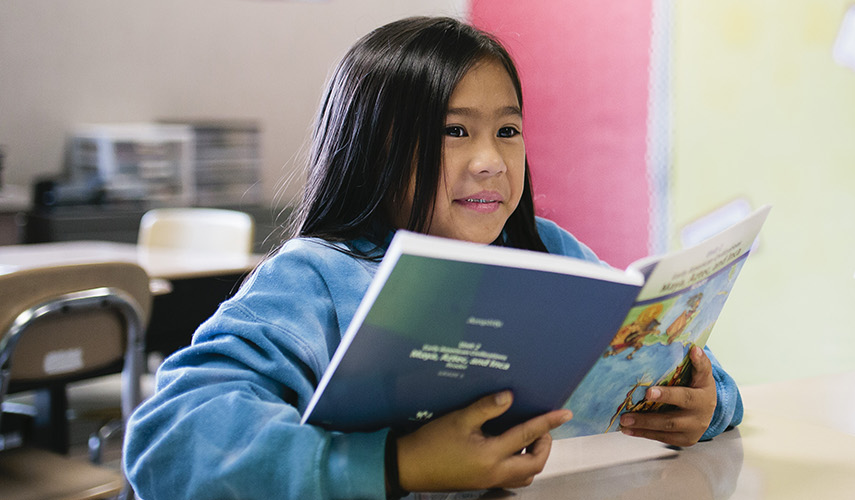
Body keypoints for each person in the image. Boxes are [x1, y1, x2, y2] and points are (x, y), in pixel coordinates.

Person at [124, 17, 743, 498]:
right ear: (372, 149)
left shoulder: (543, 249)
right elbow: (169, 441)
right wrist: (398, 464)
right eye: (454, 131)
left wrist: (708, 403)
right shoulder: (317, 279)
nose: (491, 162)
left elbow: (683, 366)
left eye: (507, 130)